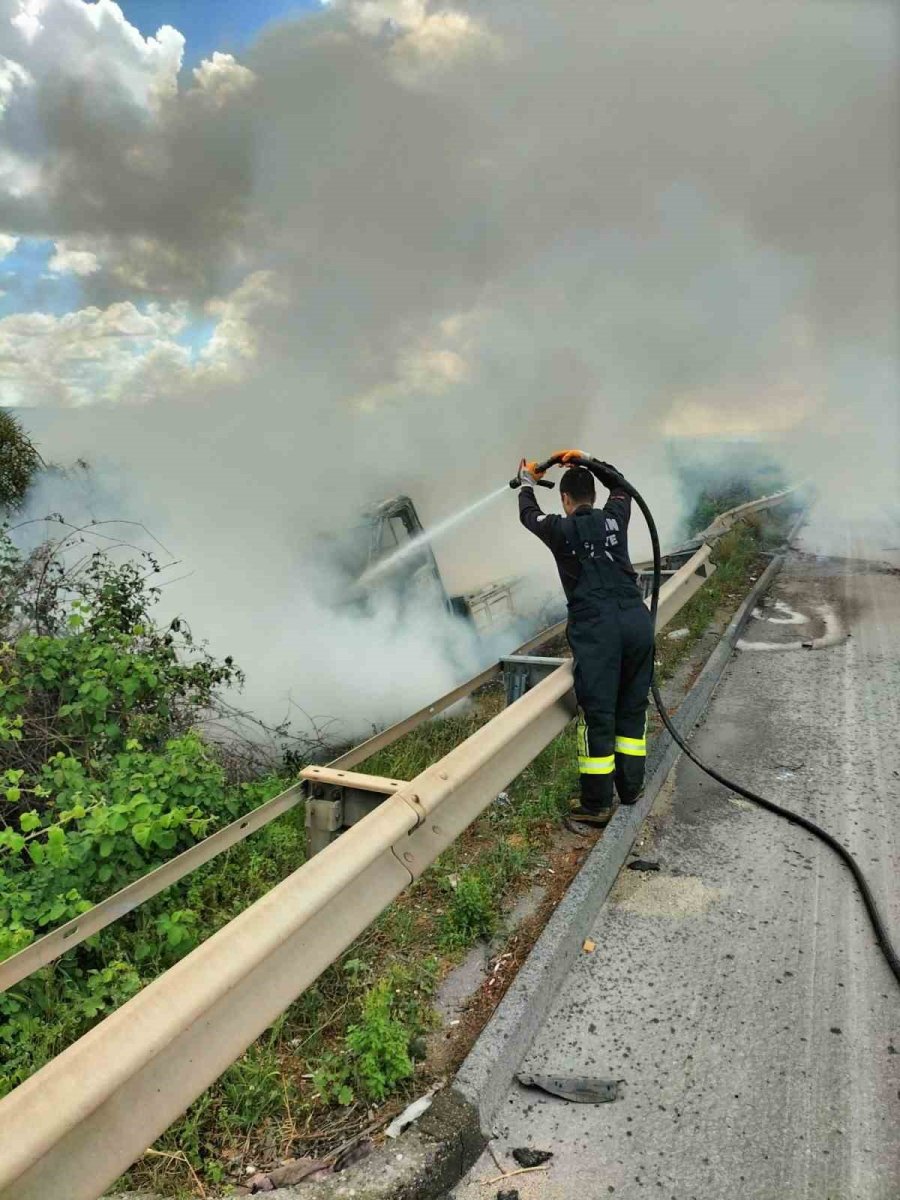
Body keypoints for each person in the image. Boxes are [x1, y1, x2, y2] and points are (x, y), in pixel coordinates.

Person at [516, 451, 654, 826]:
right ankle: (630, 787)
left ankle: (596, 804)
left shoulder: (560, 530)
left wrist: (527, 481)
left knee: (598, 714)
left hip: (598, 630)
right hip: (637, 622)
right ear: (594, 495)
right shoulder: (615, 517)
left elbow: (528, 514)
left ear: (564, 499)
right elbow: (621, 483)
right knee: (632, 705)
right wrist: (587, 460)